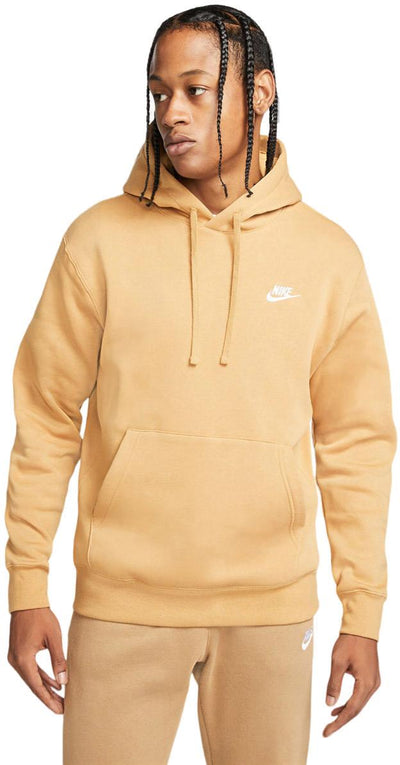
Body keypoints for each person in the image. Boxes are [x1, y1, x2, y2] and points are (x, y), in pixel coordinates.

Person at [4, 5, 397, 764]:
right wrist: (26, 589)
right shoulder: (97, 242)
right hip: (121, 603)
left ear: (260, 93)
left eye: (194, 90)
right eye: (158, 93)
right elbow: (47, 418)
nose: (170, 113)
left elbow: (356, 442)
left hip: (272, 610)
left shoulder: (328, 257)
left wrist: (364, 613)